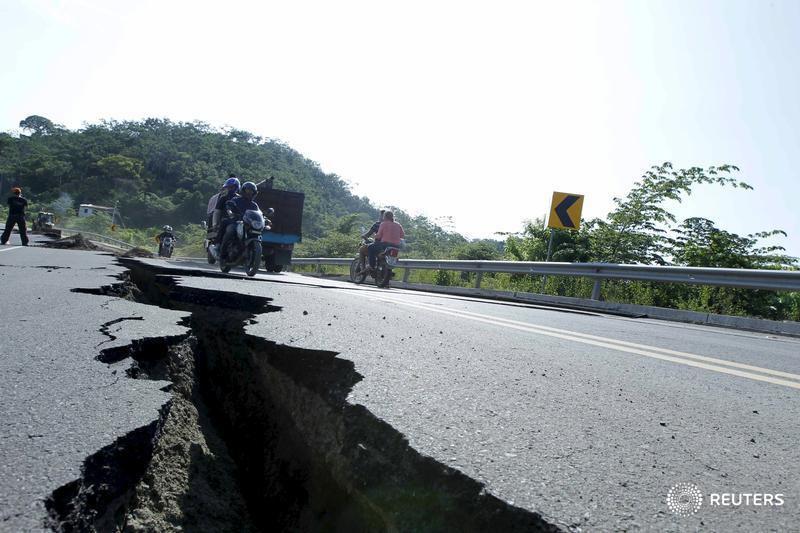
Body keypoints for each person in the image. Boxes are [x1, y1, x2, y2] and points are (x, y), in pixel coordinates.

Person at [220, 181, 260, 258]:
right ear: (243, 190)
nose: (249, 193)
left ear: (254, 193)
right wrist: (230, 211)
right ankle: (222, 252)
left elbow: (259, 213)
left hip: (247, 225)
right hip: (236, 222)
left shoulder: (254, 205)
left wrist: (265, 218)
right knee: (231, 230)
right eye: (248, 190)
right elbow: (229, 205)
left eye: (252, 191)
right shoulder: (236, 199)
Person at [208, 176, 240, 257]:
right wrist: (215, 224)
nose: (230, 189)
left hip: (239, 222)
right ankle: (217, 246)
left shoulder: (240, 199)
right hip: (227, 220)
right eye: (228, 187)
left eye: (232, 187)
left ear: (237, 187)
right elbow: (217, 212)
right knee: (223, 223)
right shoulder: (223, 198)